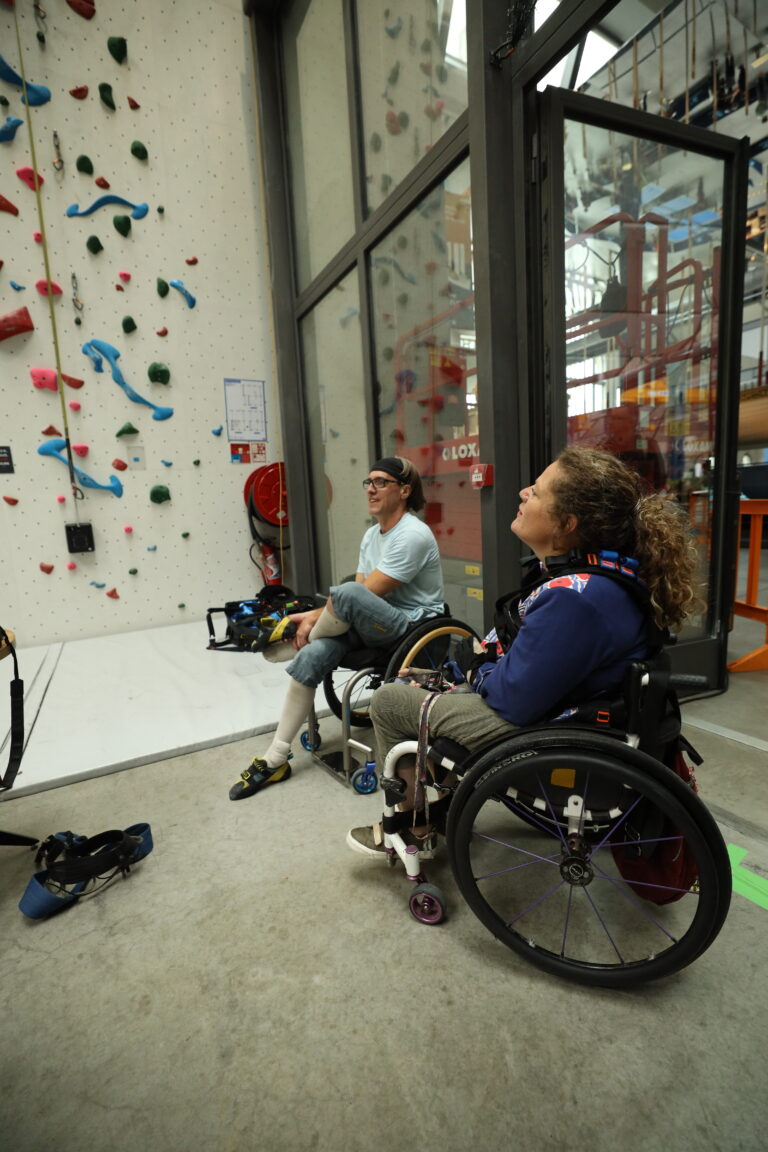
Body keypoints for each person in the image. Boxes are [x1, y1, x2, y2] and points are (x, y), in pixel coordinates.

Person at [346, 445, 700, 856]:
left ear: (567, 522)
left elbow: (510, 700)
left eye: (537, 491)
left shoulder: (577, 598)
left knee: (390, 701)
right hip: (559, 704)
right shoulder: (593, 577)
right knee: (429, 681)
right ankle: (434, 803)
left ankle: (413, 827)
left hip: (539, 724)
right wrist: (453, 676)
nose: (522, 494)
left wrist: (474, 665)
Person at [228, 456, 445, 799]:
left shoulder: (413, 535)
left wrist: (312, 617)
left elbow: (363, 592)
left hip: (410, 626)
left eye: (381, 482)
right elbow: (356, 600)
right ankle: (275, 758)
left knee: (345, 592)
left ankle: (294, 637)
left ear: (404, 491)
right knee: (317, 652)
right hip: (373, 620)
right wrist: (320, 616)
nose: (371, 489)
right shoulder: (372, 535)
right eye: (368, 482)